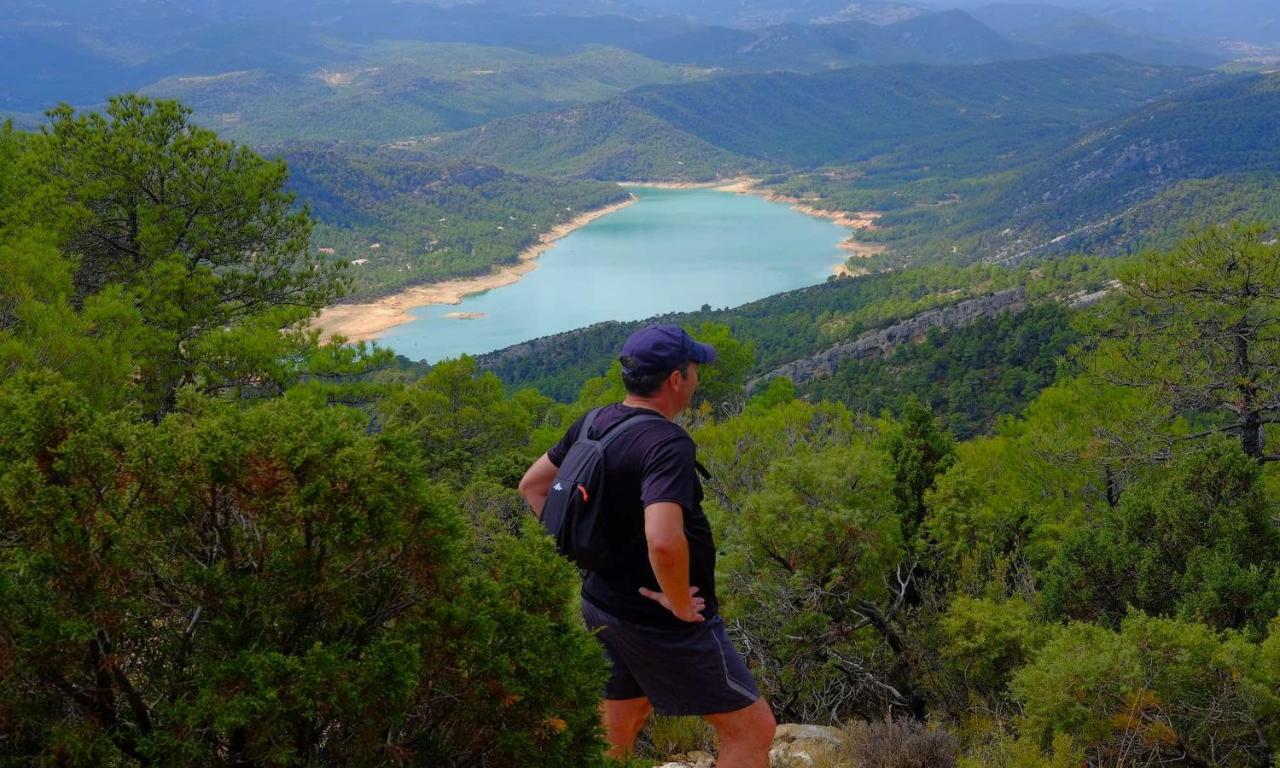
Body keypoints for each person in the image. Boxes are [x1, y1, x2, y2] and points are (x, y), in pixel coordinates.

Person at [518, 325, 776, 767]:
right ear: (676, 380)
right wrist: (677, 602)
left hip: (602, 602)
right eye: (694, 370)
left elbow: (533, 486)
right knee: (752, 730)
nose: (696, 380)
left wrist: (587, 552)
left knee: (620, 723)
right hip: (659, 622)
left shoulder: (594, 421)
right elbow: (662, 538)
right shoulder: (666, 444)